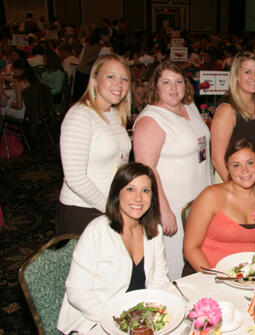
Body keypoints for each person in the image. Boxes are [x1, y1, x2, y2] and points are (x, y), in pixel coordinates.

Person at [57, 163, 170, 335]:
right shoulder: (98, 230)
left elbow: (159, 278)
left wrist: (153, 314)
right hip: (95, 320)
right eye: (130, 189)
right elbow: (77, 290)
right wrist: (118, 321)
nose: (139, 198)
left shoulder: (154, 231)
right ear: (117, 193)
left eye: (145, 190)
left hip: (139, 318)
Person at [134, 60, 212, 280]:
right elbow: (145, 169)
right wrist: (162, 209)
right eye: (166, 82)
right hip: (172, 205)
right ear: (155, 86)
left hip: (199, 200)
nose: (174, 88)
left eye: (179, 81)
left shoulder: (189, 107)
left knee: (197, 261)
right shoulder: (151, 119)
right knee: (175, 266)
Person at [56, 54, 132, 235]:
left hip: (108, 206)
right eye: (110, 76)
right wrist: (111, 209)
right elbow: (75, 179)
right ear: (95, 79)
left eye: (124, 79)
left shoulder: (114, 114)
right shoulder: (80, 115)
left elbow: (119, 163)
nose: (119, 84)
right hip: (83, 210)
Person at [183, 138, 255, 271]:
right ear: (227, 167)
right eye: (236, 165)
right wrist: (215, 278)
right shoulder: (210, 197)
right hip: (207, 273)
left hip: (250, 276)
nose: (244, 170)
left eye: (250, 163)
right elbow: (191, 248)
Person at [210, 51, 255, 186]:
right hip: (234, 185)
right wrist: (237, 190)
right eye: (248, 72)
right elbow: (217, 158)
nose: (254, 77)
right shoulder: (227, 110)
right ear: (236, 76)